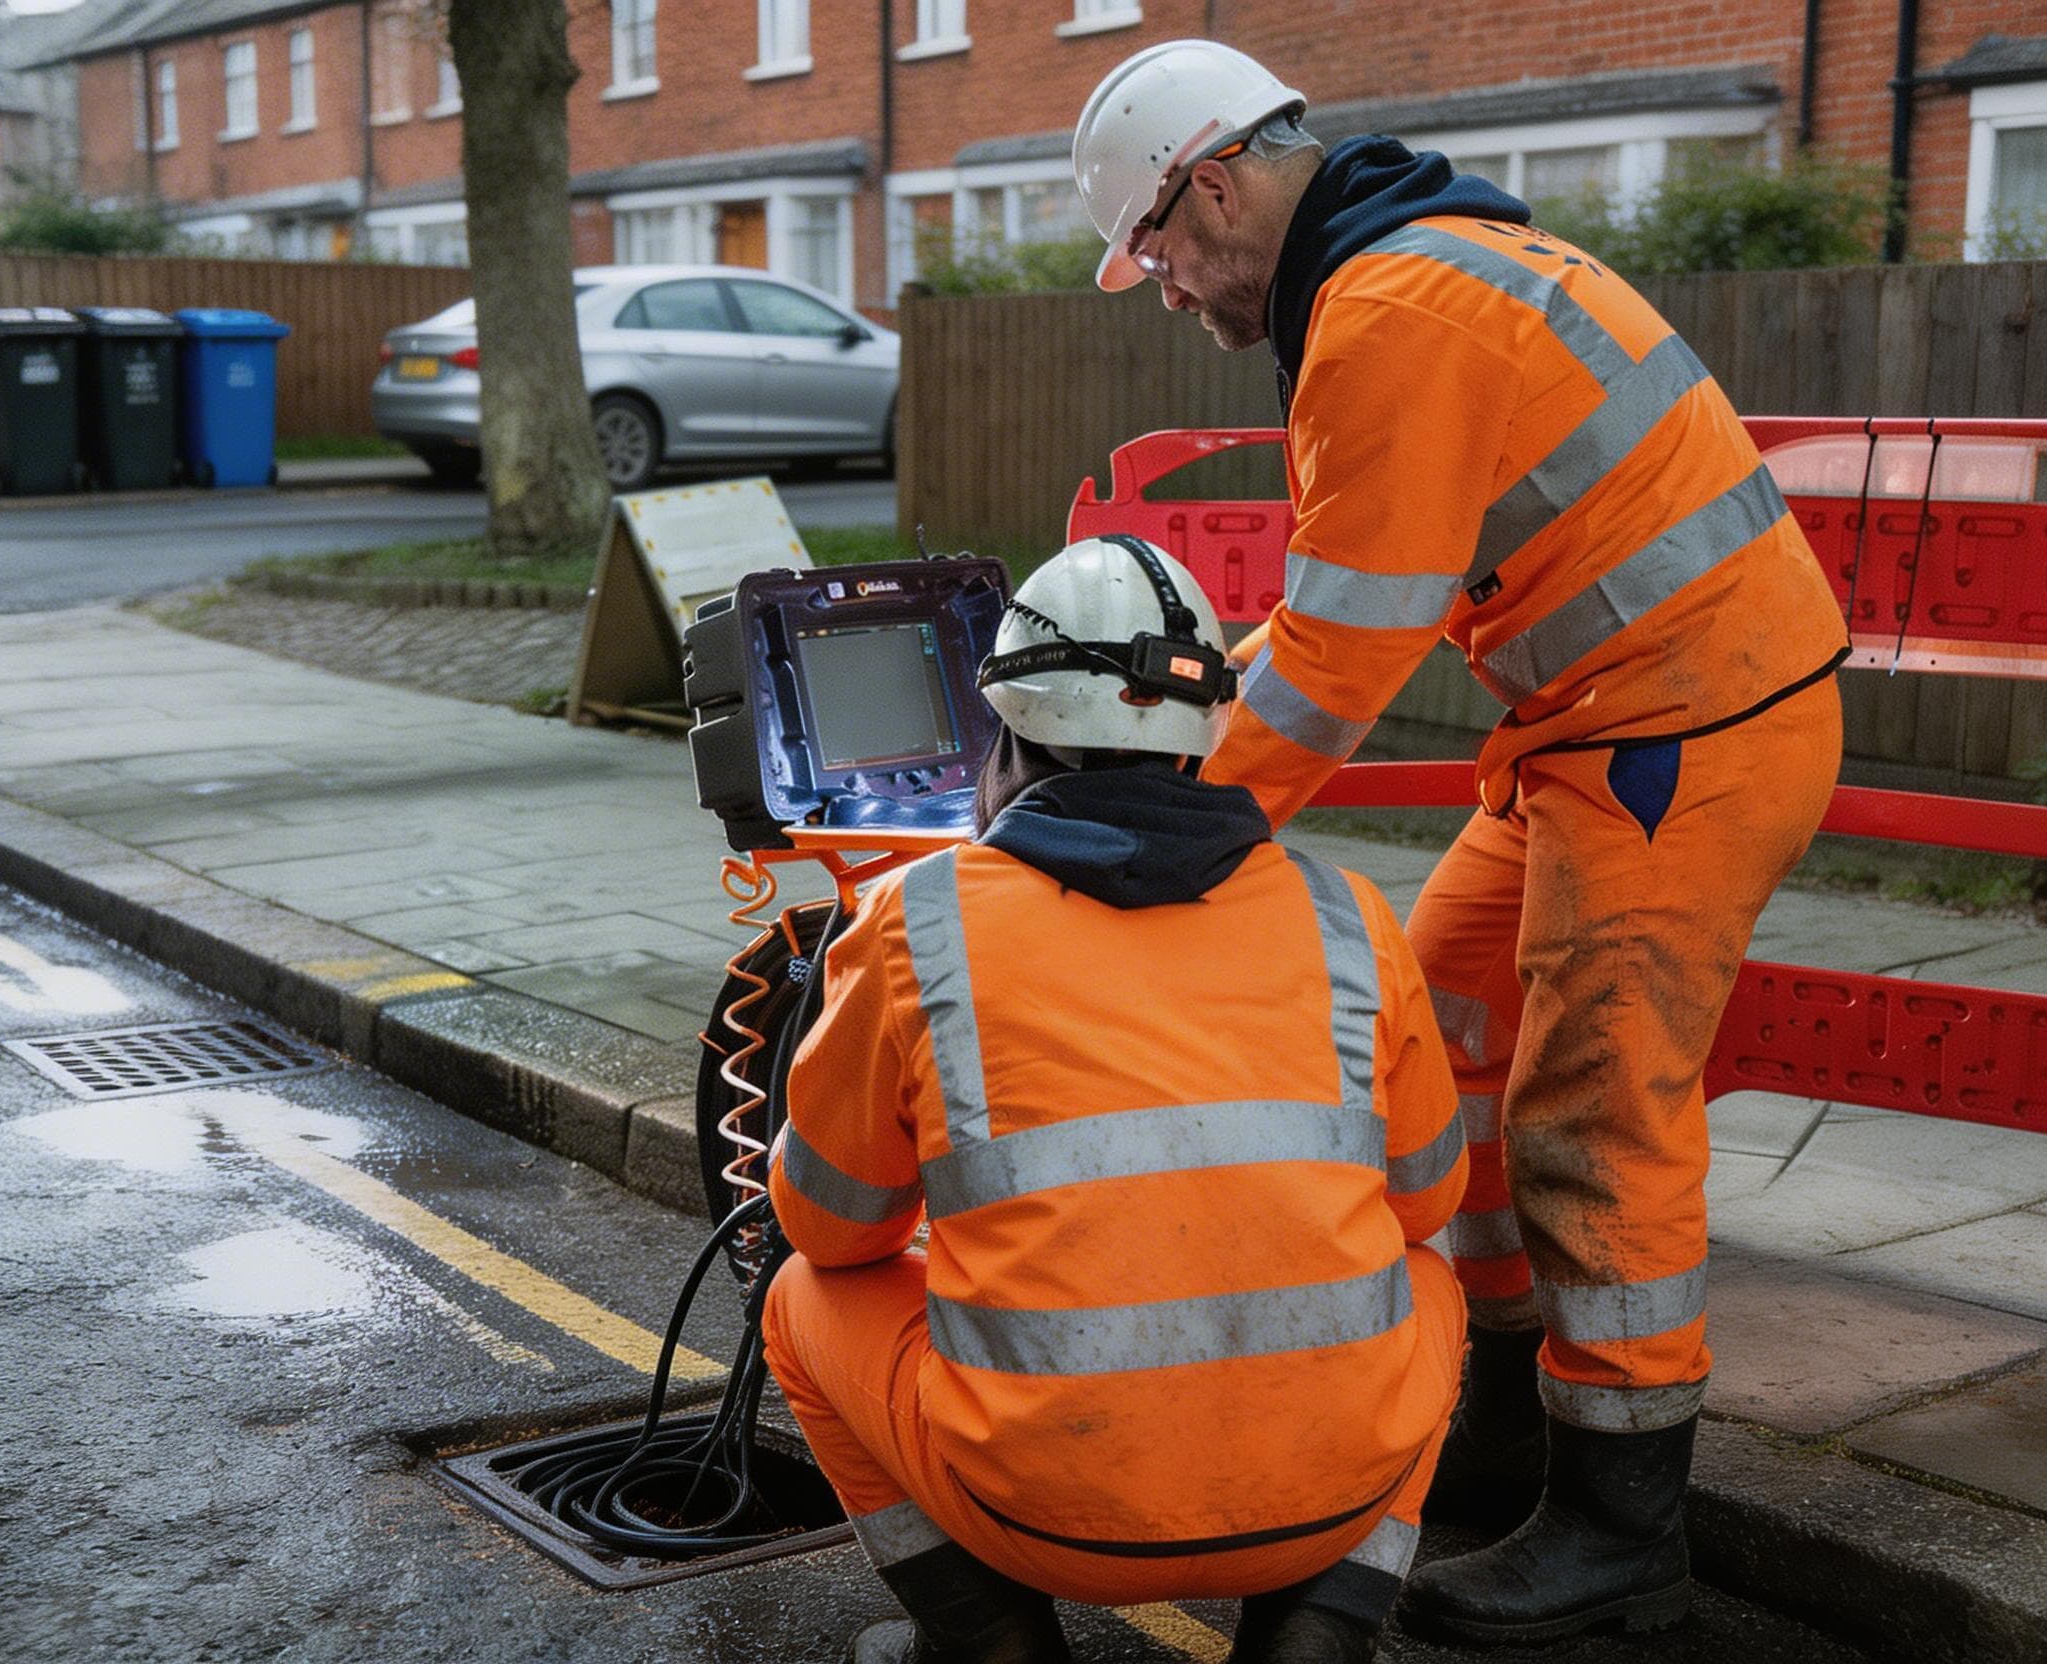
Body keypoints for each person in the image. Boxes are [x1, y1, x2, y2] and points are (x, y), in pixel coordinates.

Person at [1072, 41, 1851, 1649]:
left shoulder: (1392, 311)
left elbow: (1344, 649)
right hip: (1605, 726)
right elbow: (1331, 620)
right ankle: (1507, 1426)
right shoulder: (1409, 264)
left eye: (1157, 252)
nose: (1165, 290)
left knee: (1594, 1106)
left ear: (1210, 186)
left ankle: (1622, 1520)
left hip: (1682, 731)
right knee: (1442, 1033)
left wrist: (1175, 830)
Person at [762, 535, 1471, 1664]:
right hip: (1332, 1496)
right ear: (1206, 739)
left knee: (800, 1299)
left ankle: (990, 1636)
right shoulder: (1347, 914)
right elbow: (1430, 1199)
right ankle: (1324, 1626)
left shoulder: (916, 920)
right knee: (1429, 1278)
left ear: (1005, 733)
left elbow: (829, 1227)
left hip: (1041, 1514)